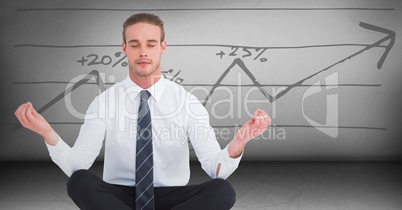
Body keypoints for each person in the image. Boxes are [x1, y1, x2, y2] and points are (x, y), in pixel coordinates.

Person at [14, 13, 271, 210]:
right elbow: (79, 165)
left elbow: (217, 171)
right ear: (124, 48)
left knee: (222, 191)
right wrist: (48, 134)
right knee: (79, 182)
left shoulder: (188, 102)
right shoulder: (105, 101)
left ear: (163, 47)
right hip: (119, 195)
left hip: (171, 196)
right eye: (135, 44)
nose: (143, 52)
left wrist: (239, 142)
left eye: (151, 43)